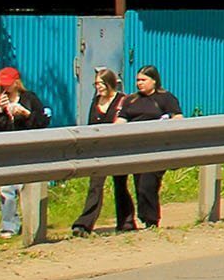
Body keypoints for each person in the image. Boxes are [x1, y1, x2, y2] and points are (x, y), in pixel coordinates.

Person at [0, 66, 52, 239]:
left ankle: (32, 225)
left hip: (28, 151)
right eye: (3, 85)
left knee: (28, 188)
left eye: (8, 84)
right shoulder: (1, 100)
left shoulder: (30, 98)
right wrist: (1, 112)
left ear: (17, 83)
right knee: (7, 189)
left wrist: (25, 114)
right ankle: (8, 225)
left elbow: (42, 122)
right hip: (8, 151)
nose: (6, 88)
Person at [116, 66, 182, 228]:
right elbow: (120, 121)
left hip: (157, 148)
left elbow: (178, 118)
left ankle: (152, 220)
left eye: (143, 80)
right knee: (139, 186)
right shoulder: (131, 100)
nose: (140, 83)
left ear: (154, 81)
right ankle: (145, 218)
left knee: (148, 184)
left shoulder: (165, 98)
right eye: (138, 80)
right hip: (135, 149)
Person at [72, 68, 133, 235]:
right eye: (96, 84)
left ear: (110, 83)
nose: (98, 87)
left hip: (117, 149)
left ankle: (126, 222)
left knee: (120, 185)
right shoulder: (96, 101)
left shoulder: (122, 100)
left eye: (100, 83)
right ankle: (84, 224)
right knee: (95, 185)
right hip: (98, 150)